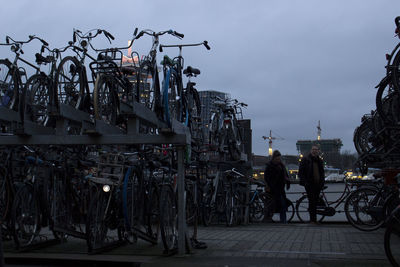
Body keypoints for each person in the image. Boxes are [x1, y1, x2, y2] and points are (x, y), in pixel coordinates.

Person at [298, 144, 325, 224]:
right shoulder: (305, 160)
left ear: (318, 151)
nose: (314, 151)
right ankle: (312, 220)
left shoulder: (319, 160)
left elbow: (322, 173)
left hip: (318, 184)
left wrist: (322, 182)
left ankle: (314, 220)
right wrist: (305, 182)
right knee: (312, 201)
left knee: (315, 202)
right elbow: (301, 172)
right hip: (309, 184)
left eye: (316, 149)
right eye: (313, 149)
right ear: (311, 150)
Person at [264, 150, 290, 223]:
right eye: (277, 158)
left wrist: (288, 183)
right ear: (274, 158)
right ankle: (281, 220)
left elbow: (285, 176)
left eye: (279, 158)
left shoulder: (281, 165)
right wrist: (271, 185)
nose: (278, 160)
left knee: (281, 205)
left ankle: (282, 220)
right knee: (275, 205)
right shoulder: (270, 166)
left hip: (280, 188)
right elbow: (266, 177)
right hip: (273, 189)